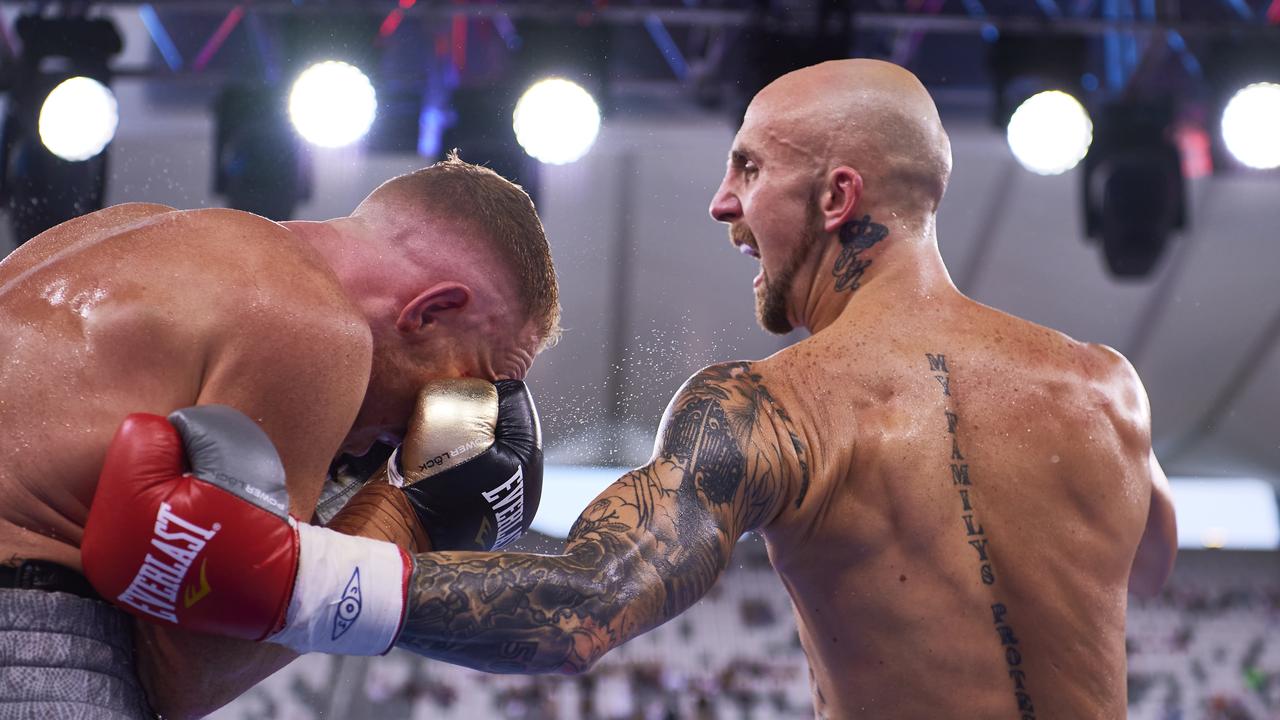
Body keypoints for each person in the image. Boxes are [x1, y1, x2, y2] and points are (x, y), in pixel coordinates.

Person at [88, 59, 1177, 718]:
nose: (720, 203)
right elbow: (1152, 562)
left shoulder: (778, 407)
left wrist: (283, 574)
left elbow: (576, 613)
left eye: (749, 168)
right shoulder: (1102, 391)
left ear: (839, 193)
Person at [0, 153, 559, 718]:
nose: (404, 437)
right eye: (458, 390)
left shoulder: (119, 236)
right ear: (431, 311)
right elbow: (190, 677)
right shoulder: (316, 326)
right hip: (36, 654)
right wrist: (411, 516)